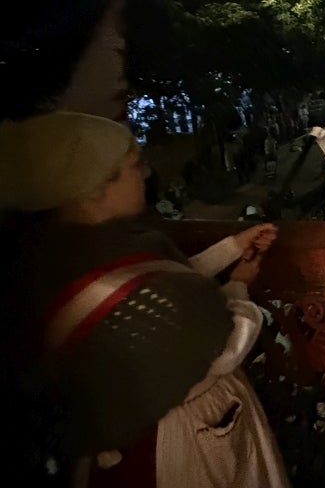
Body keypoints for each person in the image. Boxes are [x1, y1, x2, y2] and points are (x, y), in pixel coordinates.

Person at [0, 111, 289, 487]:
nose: (147, 173)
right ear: (94, 189)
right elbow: (224, 346)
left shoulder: (63, 253)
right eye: (134, 165)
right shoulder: (117, 261)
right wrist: (238, 287)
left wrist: (231, 247)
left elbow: (161, 284)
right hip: (176, 445)